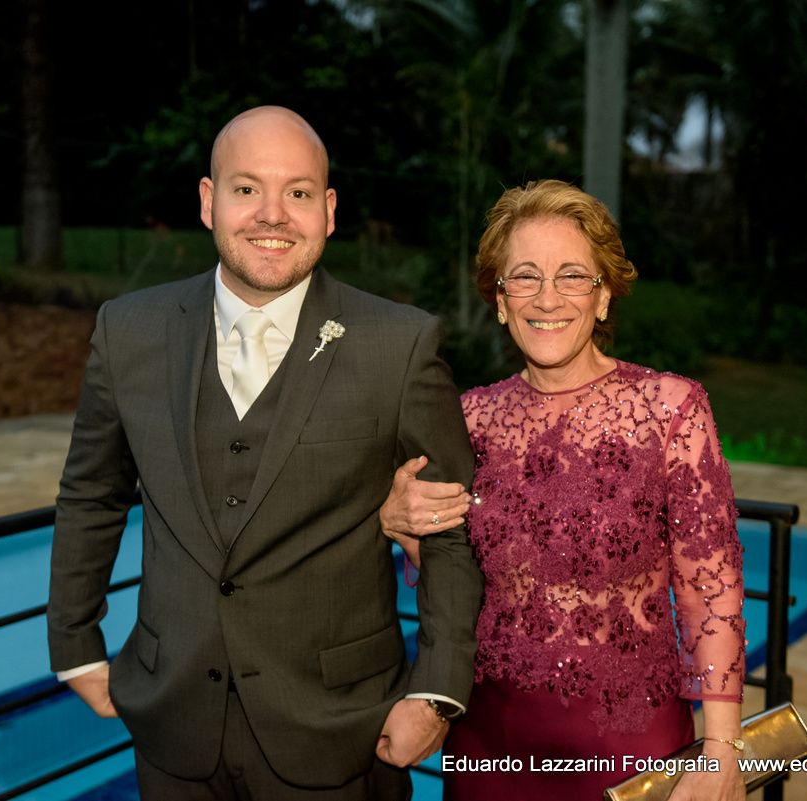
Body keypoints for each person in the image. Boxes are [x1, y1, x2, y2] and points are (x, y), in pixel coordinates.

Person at [47, 105, 484, 800]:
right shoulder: (126, 331)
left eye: (298, 192)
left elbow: (451, 529)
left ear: (329, 211)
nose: (272, 214)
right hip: (172, 723)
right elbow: (91, 495)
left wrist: (434, 692)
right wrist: (74, 645)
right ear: (208, 201)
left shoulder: (399, 344)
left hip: (342, 731)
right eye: (247, 188)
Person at [381, 180, 746, 800]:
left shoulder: (670, 411)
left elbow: (709, 588)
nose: (547, 297)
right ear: (501, 301)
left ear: (602, 296)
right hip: (489, 751)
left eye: (572, 276)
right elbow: (455, 576)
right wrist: (397, 520)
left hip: (630, 756)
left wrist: (721, 748)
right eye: (525, 277)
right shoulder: (467, 421)